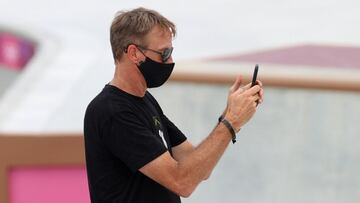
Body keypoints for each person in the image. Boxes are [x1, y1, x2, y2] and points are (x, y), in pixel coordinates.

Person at [84, 7, 264, 203]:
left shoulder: (145, 100)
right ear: (134, 53)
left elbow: (198, 169)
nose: (170, 61)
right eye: (164, 53)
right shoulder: (112, 111)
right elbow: (182, 182)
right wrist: (231, 121)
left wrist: (230, 114)